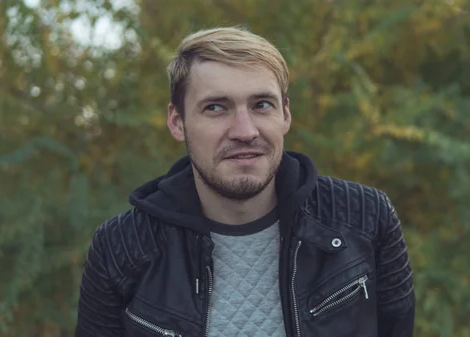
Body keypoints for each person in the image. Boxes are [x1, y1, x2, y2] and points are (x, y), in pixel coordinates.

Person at [75, 26, 415, 337]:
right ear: (178, 123)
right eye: (216, 108)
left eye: (261, 105)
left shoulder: (366, 218)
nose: (245, 131)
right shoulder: (121, 248)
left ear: (285, 114)